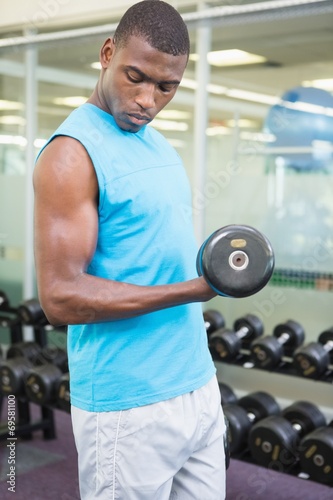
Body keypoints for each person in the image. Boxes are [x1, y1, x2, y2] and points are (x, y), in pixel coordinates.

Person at [33, 1, 226, 498]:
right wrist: (194, 289)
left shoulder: (157, 144)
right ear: (107, 54)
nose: (147, 99)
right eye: (135, 77)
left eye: (166, 87)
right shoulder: (71, 153)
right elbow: (60, 297)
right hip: (128, 404)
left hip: (196, 386)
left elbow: (156, 248)